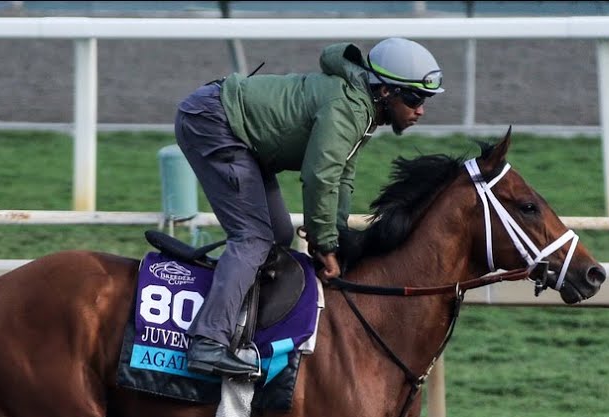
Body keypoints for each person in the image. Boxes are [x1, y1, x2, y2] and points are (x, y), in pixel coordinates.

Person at [177, 37, 444, 378]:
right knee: (254, 238)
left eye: (425, 100)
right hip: (213, 121)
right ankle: (208, 342)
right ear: (386, 92)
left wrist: (337, 239)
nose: (420, 109)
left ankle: (245, 328)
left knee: (279, 234)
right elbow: (319, 177)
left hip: (239, 133)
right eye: (413, 97)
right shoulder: (348, 108)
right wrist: (325, 243)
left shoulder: (362, 107)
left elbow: (342, 178)